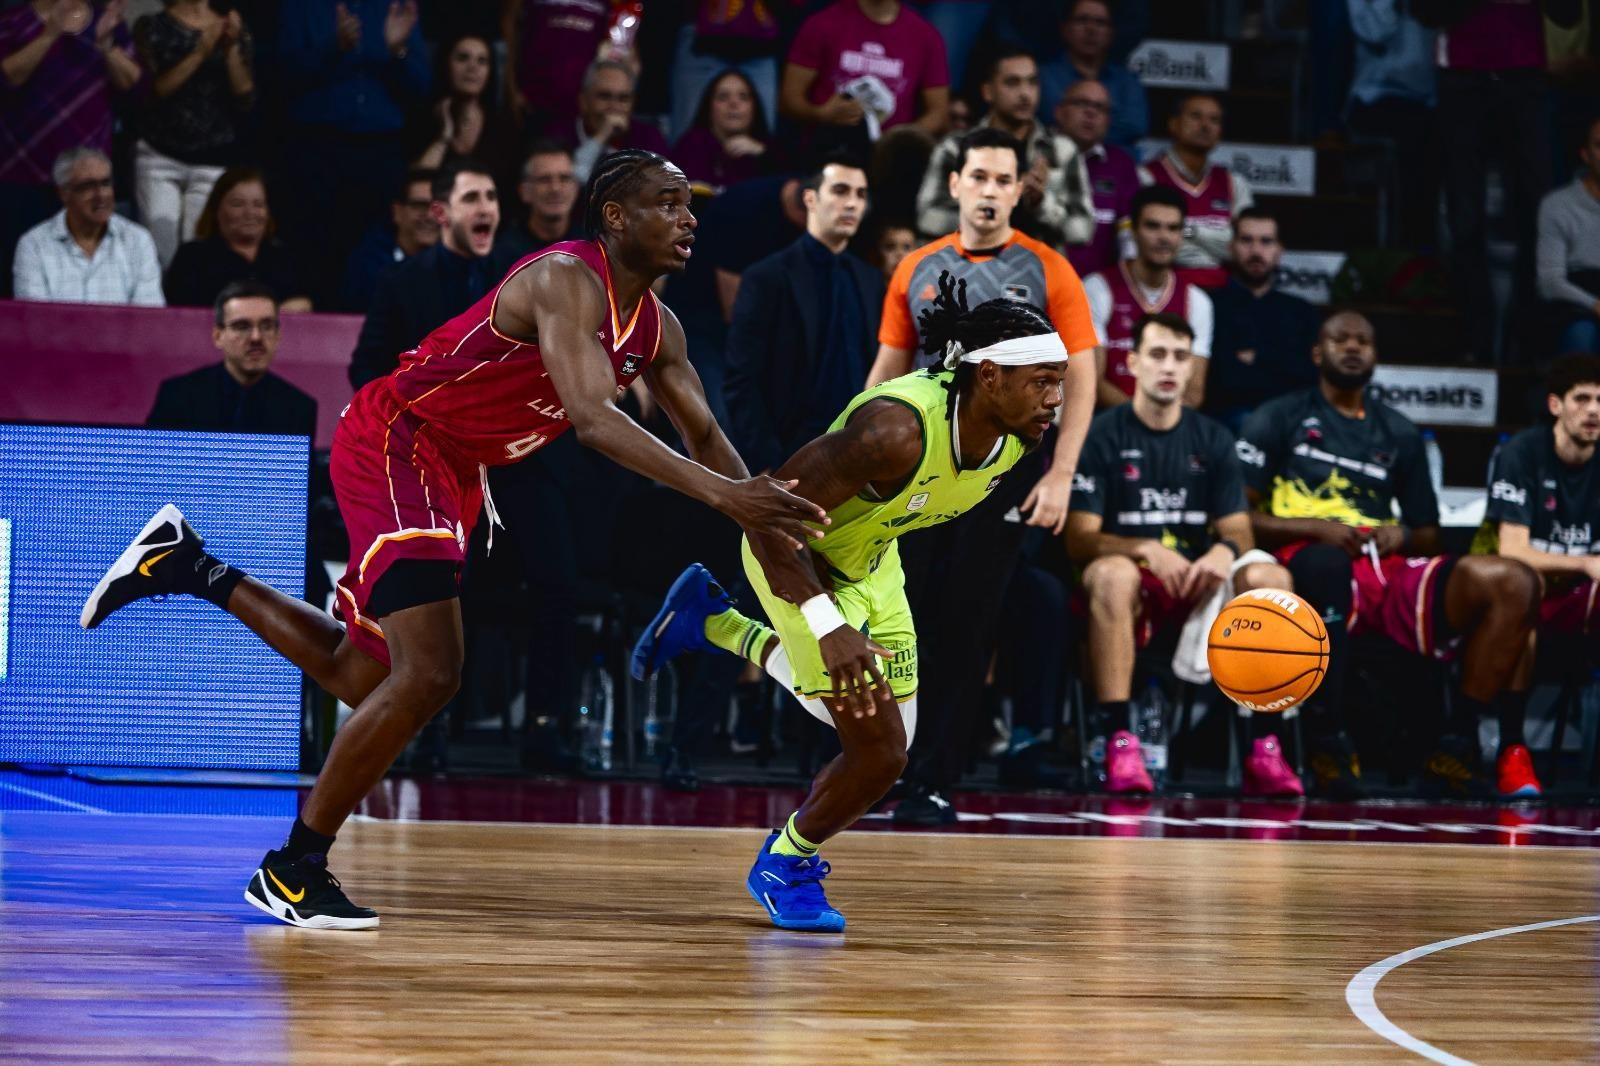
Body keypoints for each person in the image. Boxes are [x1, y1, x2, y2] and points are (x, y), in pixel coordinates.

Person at [80, 149, 826, 930]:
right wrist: (728, 497)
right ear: (615, 216)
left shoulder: (658, 325)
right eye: (669, 203)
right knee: (433, 671)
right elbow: (596, 420)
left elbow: (706, 433)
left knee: (365, 679)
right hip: (402, 437)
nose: (689, 218)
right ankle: (292, 869)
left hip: (458, 469)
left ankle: (186, 563)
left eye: (690, 206)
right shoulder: (563, 280)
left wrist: (763, 517)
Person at [632, 272, 1068, 930]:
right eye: (1041, 381)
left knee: (890, 740)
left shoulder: (1014, 441)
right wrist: (828, 622)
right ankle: (785, 862)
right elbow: (769, 517)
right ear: (988, 377)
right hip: (794, 555)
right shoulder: (891, 431)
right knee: (880, 752)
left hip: (871, 561)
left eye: (1059, 381)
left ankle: (716, 623)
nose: (1054, 399)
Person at [866, 127, 1098, 823]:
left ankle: (935, 777)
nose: (992, 191)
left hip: (1003, 474)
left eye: (1005, 180)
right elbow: (886, 371)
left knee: (966, 625)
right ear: (956, 184)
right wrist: (848, 455)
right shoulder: (916, 267)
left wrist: (1061, 474)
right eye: (980, 177)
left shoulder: (1050, 269)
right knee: (897, 623)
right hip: (915, 472)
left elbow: (1082, 377)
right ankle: (882, 768)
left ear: (1021, 189)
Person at [1237, 310, 1540, 799]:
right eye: (1341, 340)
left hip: (1382, 569)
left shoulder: (1398, 431)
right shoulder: (1277, 417)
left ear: (1376, 356)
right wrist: (1315, 529)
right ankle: (1326, 740)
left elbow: (1428, 533)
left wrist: (1400, 535)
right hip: (1301, 559)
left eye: (1364, 341)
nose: (1353, 348)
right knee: (1328, 565)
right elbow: (1239, 517)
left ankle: (1457, 744)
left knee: (1514, 581)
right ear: (1318, 352)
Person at [1068, 313, 1301, 797]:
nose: (1170, 367)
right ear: (1131, 362)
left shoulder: (1213, 437)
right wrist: (1145, 549)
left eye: (1180, 356)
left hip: (1199, 586)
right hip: (1132, 588)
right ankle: (1120, 738)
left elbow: (1238, 527)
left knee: (1270, 579)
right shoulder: (1101, 434)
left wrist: (1223, 549)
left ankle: (1267, 745)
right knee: (1112, 573)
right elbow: (1078, 538)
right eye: (1157, 354)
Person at [1477, 353, 1600, 796]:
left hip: (1578, 600)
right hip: (1508, 597)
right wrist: (1586, 562)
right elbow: (1513, 550)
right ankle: (1513, 751)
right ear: (1556, 405)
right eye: (1582, 399)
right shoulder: (1522, 453)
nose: (1593, 410)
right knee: (1520, 603)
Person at [1413, 0, 1547, 363]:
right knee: (1465, 220)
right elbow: (1424, 11)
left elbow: (1568, 15)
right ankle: (1475, 340)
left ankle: (1525, 339)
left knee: (1534, 214)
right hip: (1463, 78)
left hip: (1525, 78)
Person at [726, 159, 879, 476]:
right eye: (840, 190)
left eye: (861, 194)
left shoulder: (871, 280)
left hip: (864, 451)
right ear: (810, 198)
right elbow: (742, 378)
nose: (852, 203)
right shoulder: (767, 277)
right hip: (791, 450)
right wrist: (766, 460)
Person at [274, 0, 428, 307]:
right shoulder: (300, 7)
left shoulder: (395, 8)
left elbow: (422, 86)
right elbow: (280, 75)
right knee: (316, 251)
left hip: (380, 151)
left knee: (374, 249)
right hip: (317, 150)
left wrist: (397, 51)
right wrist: (334, 47)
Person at [0, 0, 141, 299]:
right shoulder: (13, 19)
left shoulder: (106, 19)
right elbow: (8, 75)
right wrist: (49, 35)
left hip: (87, 179)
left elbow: (132, 83)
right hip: (22, 170)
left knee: (87, 278)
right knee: (16, 274)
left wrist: (105, 45)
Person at [916, 48, 1091, 251]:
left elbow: (1083, 229)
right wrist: (992, 211)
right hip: (971, 273)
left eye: (1032, 82)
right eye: (1012, 83)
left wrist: (1041, 204)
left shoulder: (1062, 150)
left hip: (1039, 275)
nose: (1025, 94)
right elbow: (927, 217)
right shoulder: (955, 149)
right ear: (988, 92)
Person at [349, 159, 501, 389]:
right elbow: (366, 366)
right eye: (470, 198)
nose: (485, 208)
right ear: (440, 213)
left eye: (491, 197)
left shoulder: (514, 272)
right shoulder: (400, 280)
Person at [131, 0, 255, 269]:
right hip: (160, 156)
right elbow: (155, 92)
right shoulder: (153, 27)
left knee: (200, 258)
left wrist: (231, 45)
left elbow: (245, 94)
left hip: (212, 160)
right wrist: (200, 52)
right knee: (160, 254)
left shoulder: (230, 24)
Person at [1083, 184, 1213, 408]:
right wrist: (1140, 420)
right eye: (1153, 226)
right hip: (1107, 425)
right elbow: (1092, 381)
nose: (1163, 237)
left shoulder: (1197, 301)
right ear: (1133, 230)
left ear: (1182, 235)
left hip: (1170, 432)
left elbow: (1193, 394)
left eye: (1173, 228)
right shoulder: (1097, 288)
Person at [146, 280, 316, 436]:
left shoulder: (298, 408)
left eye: (267, 326)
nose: (256, 337)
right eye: (242, 326)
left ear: (278, 335)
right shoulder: (178, 397)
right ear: (218, 336)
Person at [1204, 207, 1320, 432]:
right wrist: (1278, 362)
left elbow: (1309, 378)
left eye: (1266, 242)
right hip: (1223, 426)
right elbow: (1217, 381)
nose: (1256, 251)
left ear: (1279, 250)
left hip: (1288, 424)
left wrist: (1257, 358)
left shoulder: (1301, 311)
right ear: (1231, 247)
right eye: (1246, 240)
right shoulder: (1208, 304)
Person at [780, 0, 950, 151]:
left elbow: (938, 112)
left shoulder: (926, 36)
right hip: (827, 147)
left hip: (890, 160)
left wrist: (898, 140)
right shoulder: (822, 23)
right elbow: (789, 101)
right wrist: (821, 114)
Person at [13, 147, 163, 306]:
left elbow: (148, 318)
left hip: (122, 332)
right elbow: (34, 320)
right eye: (88, 186)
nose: (101, 195)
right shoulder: (34, 246)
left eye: (106, 183)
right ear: (64, 194)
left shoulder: (138, 241)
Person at [1138, 92, 1254, 289]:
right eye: (1196, 116)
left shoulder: (1233, 182)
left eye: (1214, 120)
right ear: (1174, 124)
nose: (1205, 125)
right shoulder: (1146, 177)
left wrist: (1189, 232)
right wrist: (1218, 239)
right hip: (1164, 287)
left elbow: (1244, 247)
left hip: (1224, 289)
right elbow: (1148, 243)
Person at [163, 167, 312, 310]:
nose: (250, 213)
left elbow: (304, 303)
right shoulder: (192, 258)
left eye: (258, 205)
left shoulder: (284, 258)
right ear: (216, 210)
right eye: (238, 204)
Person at [407, 33, 517, 199]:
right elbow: (417, 183)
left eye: (482, 61)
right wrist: (443, 138)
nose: (472, 67)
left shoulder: (503, 124)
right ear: (446, 64)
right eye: (462, 58)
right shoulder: (423, 118)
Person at [1056, 78, 1139, 280]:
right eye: (1081, 103)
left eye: (1099, 108)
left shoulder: (1121, 164)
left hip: (1099, 289)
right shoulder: (1039, 154)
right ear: (1059, 111)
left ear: (1108, 120)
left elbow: (1129, 235)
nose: (1090, 113)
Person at [1036, 0, 1147, 150]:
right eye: (1082, 20)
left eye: (1100, 23)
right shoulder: (1044, 76)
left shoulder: (1127, 81)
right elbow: (1049, 120)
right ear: (1065, 28)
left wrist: (1078, 126)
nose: (1091, 29)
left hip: (1114, 166)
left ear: (1111, 32)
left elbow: (1135, 127)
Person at [1537, 115, 1600, 354]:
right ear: (1585, 154)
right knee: (1582, 335)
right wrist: (1595, 305)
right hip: (1577, 304)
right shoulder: (1559, 205)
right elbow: (1549, 282)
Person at [339, 167, 439, 313]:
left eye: (437, 207)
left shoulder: (460, 265)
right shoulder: (367, 264)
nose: (430, 215)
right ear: (397, 212)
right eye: (419, 206)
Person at [555, 59, 671, 185]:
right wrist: (601, 137)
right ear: (583, 101)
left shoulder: (649, 138)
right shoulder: (559, 135)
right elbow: (568, 183)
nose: (614, 107)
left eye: (623, 99)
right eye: (604, 96)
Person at [501, 0, 608, 133]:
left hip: (585, 108)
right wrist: (511, 90)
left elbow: (621, 41)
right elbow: (509, 31)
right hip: (534, 103)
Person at [671, 69, 771, 196]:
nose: (733, 103)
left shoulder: (772, 151)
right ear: (709, 107)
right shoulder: (691, 145)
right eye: (723, 97)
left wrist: (764, 155)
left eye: (743, 97)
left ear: (754, 107)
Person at [492, 142, 581, 264]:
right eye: (544, 180)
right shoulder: (501, 254)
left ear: (576, 188)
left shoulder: (593, 247)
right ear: (524, 191)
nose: (555, 188)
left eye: (564, 178)